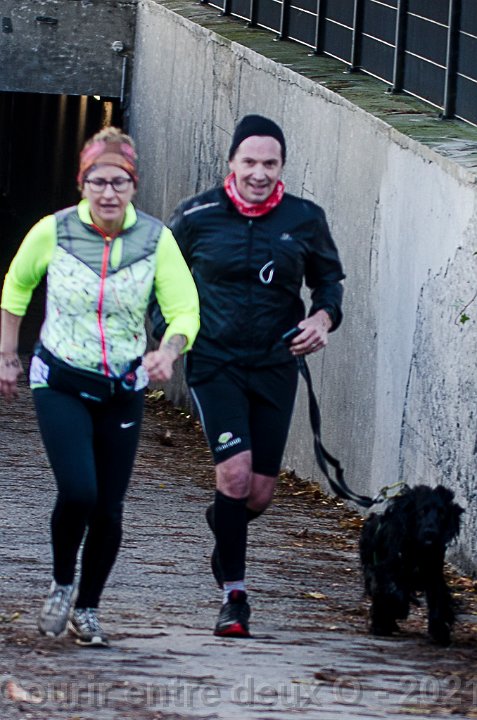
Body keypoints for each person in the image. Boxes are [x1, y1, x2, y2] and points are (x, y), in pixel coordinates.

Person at [0, 127, 200, 646]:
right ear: (82, 183)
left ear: (134, 185)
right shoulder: (54, 231)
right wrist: (7, 355)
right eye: (98, 182)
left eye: (119, 182)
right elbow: (17, 286)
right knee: (79, 491)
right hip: (61, 379)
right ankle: (61, 584)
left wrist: (168, 351)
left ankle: (87, 608)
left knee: (109, 507)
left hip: (123, 387)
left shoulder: (155, 239)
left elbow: (184, 309)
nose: (108, 193)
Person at [168, 114, 345, 637]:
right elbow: (161, 278)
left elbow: (329, 281)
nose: (259, 173)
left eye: (270, 163)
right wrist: (170, 335)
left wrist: (321, 319)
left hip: (275, 365)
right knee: (235, 475)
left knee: (259, 495)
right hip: (215, 362)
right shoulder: (197, 216)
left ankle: (225, 526)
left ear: (282, 165)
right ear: (232, 162)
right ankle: (234, 599)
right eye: (250, 162)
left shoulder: (305, 218)